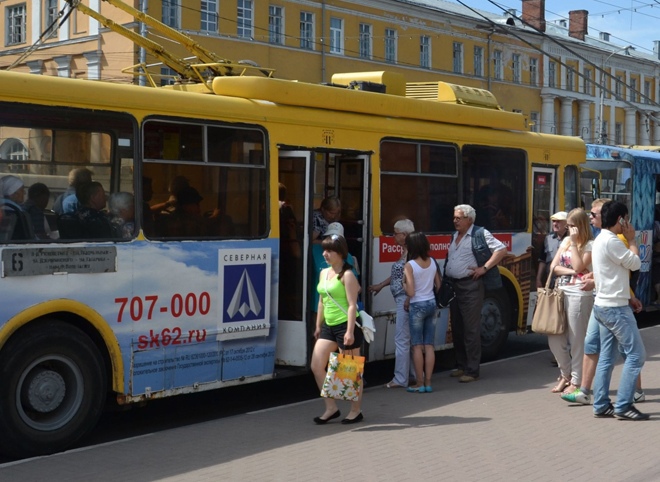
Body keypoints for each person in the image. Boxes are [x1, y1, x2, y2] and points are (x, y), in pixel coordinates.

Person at [561, 199, 645, 405]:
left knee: (624, 352)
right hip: (608, 303)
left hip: (612, 302)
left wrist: (630, 296)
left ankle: (631, 393)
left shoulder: (614, 239)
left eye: (594, 214)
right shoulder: (605, 239)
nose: (591, 218)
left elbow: (623, 271)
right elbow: (613, 270)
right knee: (606, 349)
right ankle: (601, 398)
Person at [590, 201, 649, 420]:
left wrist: (629, 297)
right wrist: (633, 239)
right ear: (620, 220)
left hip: (605, 304)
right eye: (627, 218)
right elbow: (634, 264)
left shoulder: (599, 239)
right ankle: (623, 406)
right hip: (615, 309)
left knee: (607, 356)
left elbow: (615, 274)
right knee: (636, 355)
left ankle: (601, 404)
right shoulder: (612, 241)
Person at [444, 204, 507, 383]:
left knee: (471, 328)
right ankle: (461, 365)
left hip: (470, 286)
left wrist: (484, 268)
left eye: (459, 218)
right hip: (454, 286)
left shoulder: (480, 233)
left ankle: (472, 370)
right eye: (454, 217)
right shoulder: (455, 235)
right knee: (457, 327)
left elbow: (501, 250)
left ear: (469, 220)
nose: (455, 220)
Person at [311, 233, 364, 425]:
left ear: (340, 253)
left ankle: (355, 411)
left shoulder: (348, 275)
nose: (325, 254)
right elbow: (322, 301)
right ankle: (331, 408)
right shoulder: (323, 273)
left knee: (349, 371)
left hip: (345, 326)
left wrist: (349, 332)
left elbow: (352, 305)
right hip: (329, 326)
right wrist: (318, 325)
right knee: (316, 366)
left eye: (329, 250)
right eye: (324, 250)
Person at [546, 208, 593, 394]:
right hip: (560, 292)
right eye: (569, 226)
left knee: (576, 339)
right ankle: (565, 374)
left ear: (581, 226)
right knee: (554, 336)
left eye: (573, 226)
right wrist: (575, 272)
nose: (570, 229)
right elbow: (553, 267)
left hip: (579, 294)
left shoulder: (590, 244)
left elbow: (578, 265)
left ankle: (576, 380)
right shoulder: (565, 240)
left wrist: (574, 244)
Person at [369, 219, 416, 389]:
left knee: (401, 339)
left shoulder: (412, 253)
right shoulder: (406, 251)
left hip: (405, 300)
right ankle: (412, 375)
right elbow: (398, 276)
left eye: (395, 233)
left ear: (404, 235)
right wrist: (381, 285)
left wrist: (409, 299)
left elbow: (415, 278)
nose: (393, 236)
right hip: (403, 299)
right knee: (408, 340)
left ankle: (400, 378)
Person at [403, 232, 440, 393]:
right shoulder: (432, 262)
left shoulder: (410, 265)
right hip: (431, 303)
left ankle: (419, 383)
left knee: (417, 346)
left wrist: (404, 285)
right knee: (429, 345)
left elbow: (411, 292)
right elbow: (438, 284)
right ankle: (429, 382)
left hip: (417, 305)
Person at [536, 211, 568, 289]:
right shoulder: (548, 238)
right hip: (550, 281)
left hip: (566, 281)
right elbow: (543, 260)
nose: (555, 224)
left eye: (558, 221)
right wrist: (538, 278)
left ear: (566, 224)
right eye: (553, 221)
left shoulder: (572, 239)